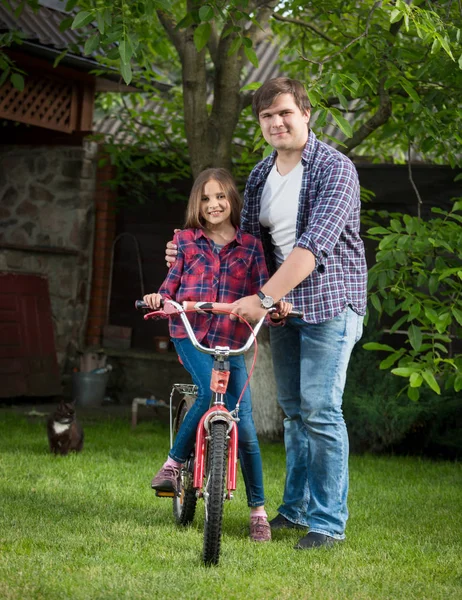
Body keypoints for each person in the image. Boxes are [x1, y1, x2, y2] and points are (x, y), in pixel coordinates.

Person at [165, 78, 368, 550]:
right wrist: (185, 249)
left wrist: (263, 298)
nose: (276, 122)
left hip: (330, 306)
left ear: (305, 114)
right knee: (295, 414)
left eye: (285, 113)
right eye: (266, 116)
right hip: (282, 309)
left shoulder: (334, 169)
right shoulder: (259, 176)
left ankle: (327, 523)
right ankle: (294, 512)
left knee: (320, 410)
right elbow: (242, 242)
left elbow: (311, 249)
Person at [143, 168, 292, 543]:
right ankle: (174, 464)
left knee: (246, 426)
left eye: (220, 197)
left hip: (233, 339)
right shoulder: (186, 242)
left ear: (232, 201)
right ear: (198, 203)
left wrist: (276, 306)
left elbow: (264, 292)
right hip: (191, 335)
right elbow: (170, 286)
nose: (213, 205)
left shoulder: (251, 247)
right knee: (208, 393)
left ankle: (257, 510)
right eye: (206, 198)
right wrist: (159, 299)